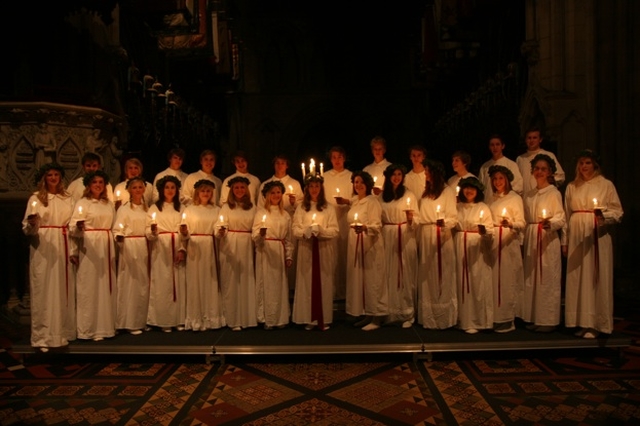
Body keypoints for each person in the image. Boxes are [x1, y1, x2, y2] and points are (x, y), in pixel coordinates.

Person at [562, 150, 623, 339]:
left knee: (595, 276)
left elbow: (617, 211)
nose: (583, 167)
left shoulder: (605, 185)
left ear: (595, 165)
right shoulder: (572, 186)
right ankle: (581, 320)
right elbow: (566, 215)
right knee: (578, 278)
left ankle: (597, 323)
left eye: (587, 163)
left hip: (596, 236)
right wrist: (565, 241)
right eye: (581, 163)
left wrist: (603, 217)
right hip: (577, 238)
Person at [22, 163, 75, 351]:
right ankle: (43, 336)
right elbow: (27, 229)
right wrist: (33, 223)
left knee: (62, 288)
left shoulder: (67, 198)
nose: (53, 178)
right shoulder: (35, 198)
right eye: (49, 175)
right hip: (43, 245)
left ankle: (62, 332)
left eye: (56, 175)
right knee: (44, 288)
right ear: (44, 178)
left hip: (63, 243)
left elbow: (72, 223)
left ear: (61, 177)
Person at [69, 170, 117, 341]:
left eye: (101, 182)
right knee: (89, 287)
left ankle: (105, 327)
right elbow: (72, 228)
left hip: (105, 244)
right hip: (89, 246)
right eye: (95, 182)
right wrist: (78, 229)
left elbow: (114, 225)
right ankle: (88, 329)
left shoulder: (108, 204)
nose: (98, 185)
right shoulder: (83, 203)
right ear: (89, 185)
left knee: (105, 286)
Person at [522, 154, 566, 332]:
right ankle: (534, 316)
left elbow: (561, 217)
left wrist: (551, 224)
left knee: (547, 278)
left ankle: (548, 320)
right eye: (537, 169)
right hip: (533, 236)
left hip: (547, 238)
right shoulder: (530, 195)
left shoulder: (553, 193)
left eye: (543, 169)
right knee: (532, 278)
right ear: (532, 171)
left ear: (550, 172)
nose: (539, 172)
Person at [292, 173, 339, 331]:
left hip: (323, 249)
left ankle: (322, 317)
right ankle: (308, 318)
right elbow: (295, 229)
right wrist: (306, 232)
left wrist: (320, 231)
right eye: (311, 186)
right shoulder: (301, 208)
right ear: (306, 189)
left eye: (317, 186)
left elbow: (334, 230)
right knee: (306, 282)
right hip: (307, 249)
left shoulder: (328, 207)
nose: (314, 189)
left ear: (321, 188)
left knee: (323, 282)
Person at [416, 160, 458, 329]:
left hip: (441, 235)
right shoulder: (425, 193)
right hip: (426, 236)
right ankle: (429, 317)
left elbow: (453, 217)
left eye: (427, 172)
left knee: (443, 274)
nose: (425, 175)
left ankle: (443, 318)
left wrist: (444, 223)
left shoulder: (447, 192)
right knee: (428, 276)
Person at [346, 171, 387, 331]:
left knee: (373, 279)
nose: (358, 185)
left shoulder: (372, 202)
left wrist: (364, 227)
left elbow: (377, 225)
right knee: (361, 280)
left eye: (362, 182)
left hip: (370, 245)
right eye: (356, 182)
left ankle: (377, 317)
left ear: (368, 185)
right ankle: (367, 314)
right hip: (355, 243)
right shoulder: (355, 201)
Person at [146, 175, 187, 332]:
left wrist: (182, 248)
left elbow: (185, 228)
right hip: (160, 248)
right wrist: (153, 232)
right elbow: (147, 230)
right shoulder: (154, 208)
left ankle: (178, 319)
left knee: (178, 283)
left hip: (176, 245)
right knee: (163, 284)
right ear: (162, 190)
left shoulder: (182, 208)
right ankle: (163, 320)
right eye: (167, 187)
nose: (170, 190)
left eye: (173, 187)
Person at [215, 176, 257, 331]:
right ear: (231, 190)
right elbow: (219, 225)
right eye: (236, 188)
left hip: (246, 244)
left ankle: (247, 317)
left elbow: (258, 225)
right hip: (230, 244)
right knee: (231, 280)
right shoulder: (226, 207)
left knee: (246, 279)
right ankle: (232, 318)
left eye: (242, 187)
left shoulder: (252, 207)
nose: (239, 190)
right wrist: (220, 231)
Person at [183, 179, 225, 331]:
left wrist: (220, 232)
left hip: (210, 246)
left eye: (208, 191)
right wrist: (185, 233)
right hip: (195, 247)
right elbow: (184, 230)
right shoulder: (189, 210)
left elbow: (219, 227)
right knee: (195, 281)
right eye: (203, 191)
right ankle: (196, 318)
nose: (205, 194)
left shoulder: (216, 210)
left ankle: (211, 317)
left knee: (210, 280)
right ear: (197, 193)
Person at [487, 165, 525, 333]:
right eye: (495, 179)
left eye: (501, 178)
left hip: (508, 242)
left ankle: (508, 318)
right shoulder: (491, 199)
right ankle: (494, 316)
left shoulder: (514, 198)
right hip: (493, 242)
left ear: (507, 180)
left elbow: (521, 223)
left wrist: (510, 224)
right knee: (494, 280)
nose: (497, 182)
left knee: (507, 279)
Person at [379, 164, 418, 328]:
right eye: (393, 174)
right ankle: (389, 312)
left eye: (399, 174)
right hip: (387, 236)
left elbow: (417, 219)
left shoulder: (409, 195)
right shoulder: (382, 196)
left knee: (405, 274)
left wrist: (410, 219)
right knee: (388, 273)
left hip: (404, 235)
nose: (396, 177)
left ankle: (407, 313)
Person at [454, 177, 494, 334]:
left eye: (472, 188)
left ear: (477, 191)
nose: (469, 191)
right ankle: (461, 319)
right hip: (460, 245)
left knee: (476, 282)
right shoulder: (457, 207)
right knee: (460, 281)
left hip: (476, 247)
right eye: (466, 188)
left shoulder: (482, 207)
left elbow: (490, 230)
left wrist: (484, 232)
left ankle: (476, 320)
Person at [253, 181, 294, 329]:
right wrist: (261, 235)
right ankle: (267, 318)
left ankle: (280, 318)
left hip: (279, 251)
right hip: (265, 251)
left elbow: (289, 238)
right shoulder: (261, 213)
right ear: (266, 195)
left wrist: (288, 255)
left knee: (279, 285)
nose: (276, 195)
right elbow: (255, 237)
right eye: (272, 193)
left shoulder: (286, 215)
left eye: (278, 192)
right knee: (267, 285)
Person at [113, 177, 150, 335]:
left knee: (143, 285)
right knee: (130, 284)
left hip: (144, 246)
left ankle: (142, 320)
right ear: (129, 190)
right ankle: (129, 322)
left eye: (140, 187)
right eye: (134, 187)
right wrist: (120, 237)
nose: (137, 190)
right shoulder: (124, 209)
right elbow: (117, 229)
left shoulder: (148, 209)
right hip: (129, 247)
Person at [322, 146, 352, 300]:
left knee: (345, 253)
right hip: (330, 218)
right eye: (334, 157)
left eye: (340, 157)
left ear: (344, 158)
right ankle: (331, 290)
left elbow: (357, 198)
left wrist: (347, 201)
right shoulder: (325, 177)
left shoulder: (351, 176)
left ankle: (346, 290)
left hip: (345, 218)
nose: (337, 160)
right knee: (331, 253)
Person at [516, 127, 565, 194]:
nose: (532, 140)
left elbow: (560, 176)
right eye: (529, 138)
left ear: (540, 139)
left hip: (543, 197)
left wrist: (551, 180)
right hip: (526, 198)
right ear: (525, 140)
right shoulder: (520, 159)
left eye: (534, 138)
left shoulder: (548, 155)